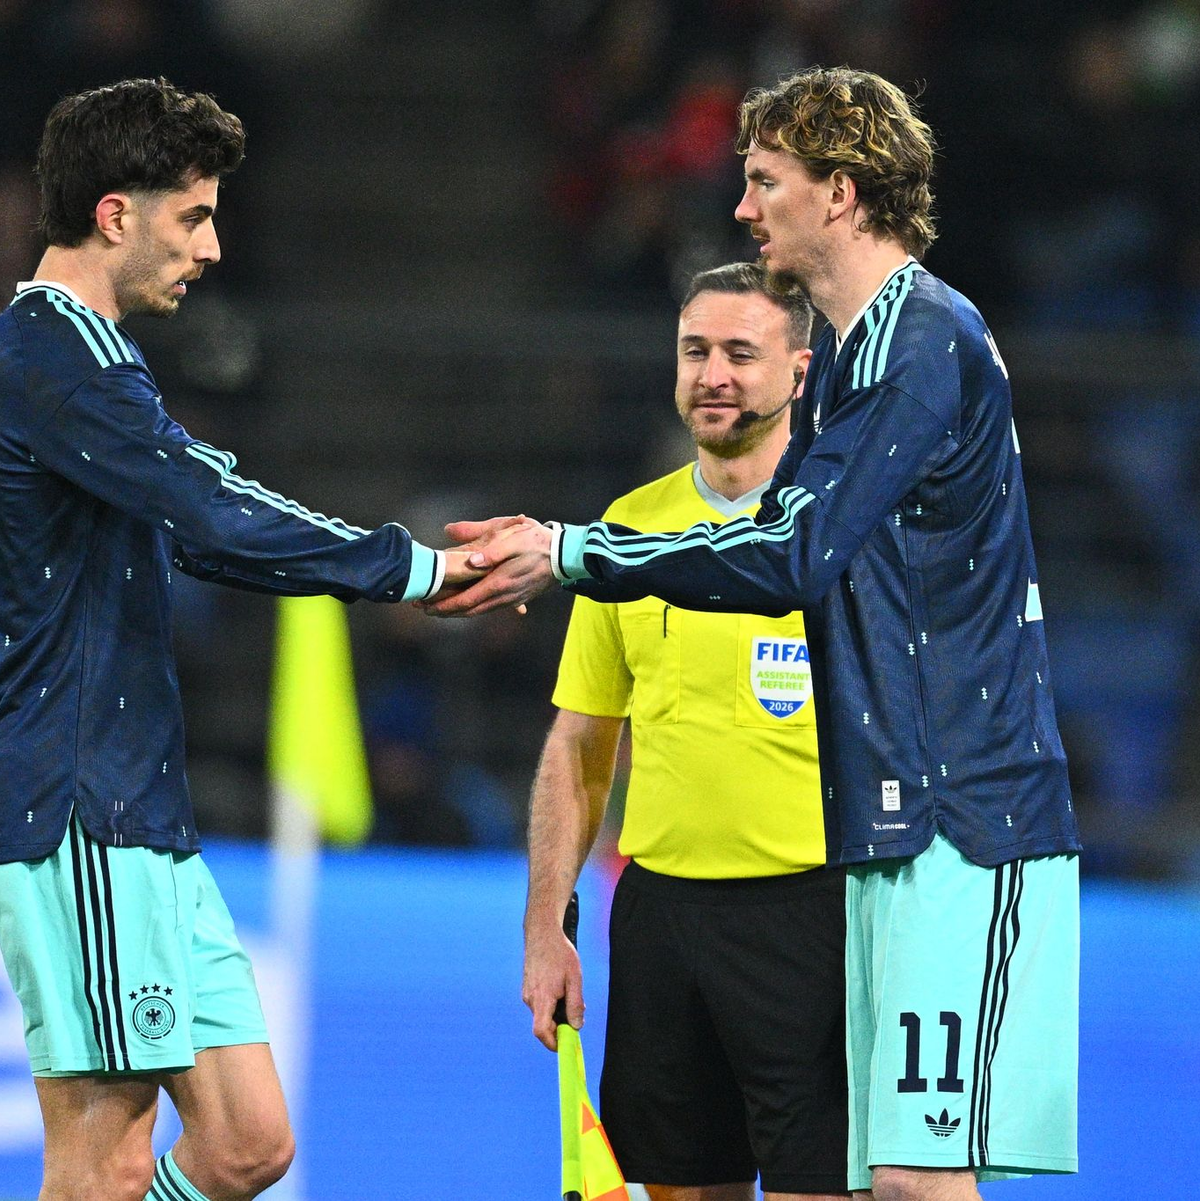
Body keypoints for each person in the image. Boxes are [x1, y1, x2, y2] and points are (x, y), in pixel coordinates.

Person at [430, 67, 1081, 1201]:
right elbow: (777, 547)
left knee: (917, 1180)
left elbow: (791, 552)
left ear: (840, 191)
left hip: (965, 813)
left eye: (765, 181)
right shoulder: (854, 361)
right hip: (888, 820)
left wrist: (572, 552)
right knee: (891, 1180)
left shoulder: (922, 338)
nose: (743, 208)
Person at [0, 78, 482, 1201]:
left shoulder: (91, 361)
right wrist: (408, 566)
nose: (212, 248)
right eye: (194, 216)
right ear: (114, 214)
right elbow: (211, 510)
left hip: (138, 807)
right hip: (78, 805)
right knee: (104, 1162)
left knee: (246, 1143)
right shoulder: (49, 357)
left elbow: (200, 533)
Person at [523, 262, 850, 1201]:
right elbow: (578, 746)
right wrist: (545, 925)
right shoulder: (628, 530)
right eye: (695, 350)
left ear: (799, 371)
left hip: (812, 913)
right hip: (662, 919)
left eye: (740, 353)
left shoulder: (837, 529)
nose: (713, 374)